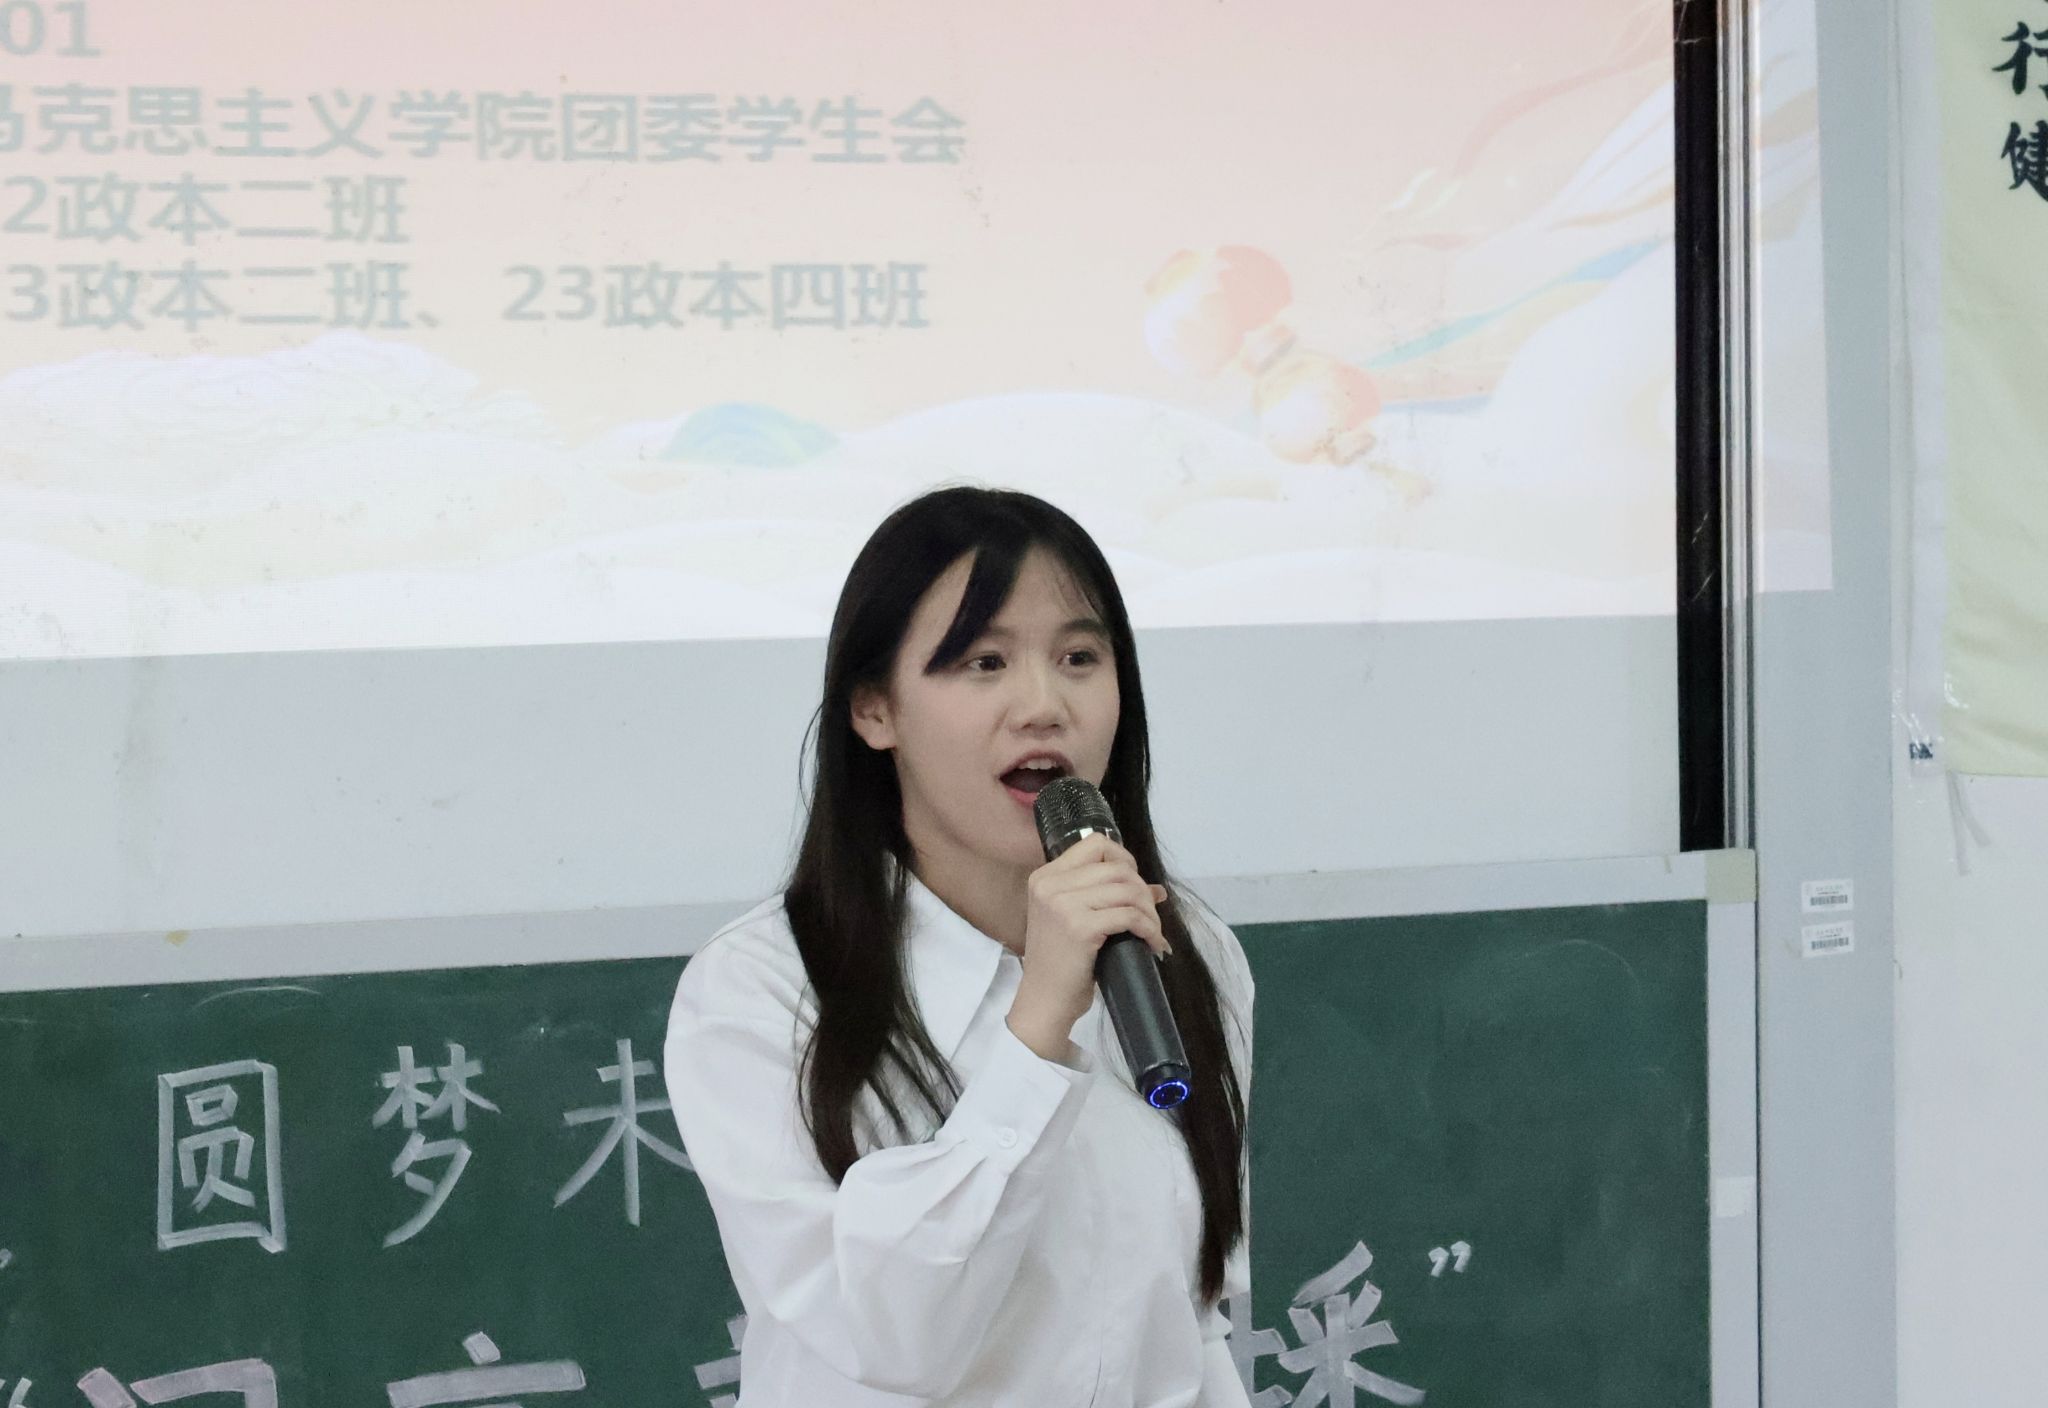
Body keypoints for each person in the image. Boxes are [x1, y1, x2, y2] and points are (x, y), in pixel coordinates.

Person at [664, 485, 1255, 1406]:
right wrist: (1038, 1027)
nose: (1044, 706)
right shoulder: (761, 989)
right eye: (984, 662)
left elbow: (1192, 1320)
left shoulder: (1186, 952)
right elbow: (893, 1338)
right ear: (875, 710)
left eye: (1080, 658)